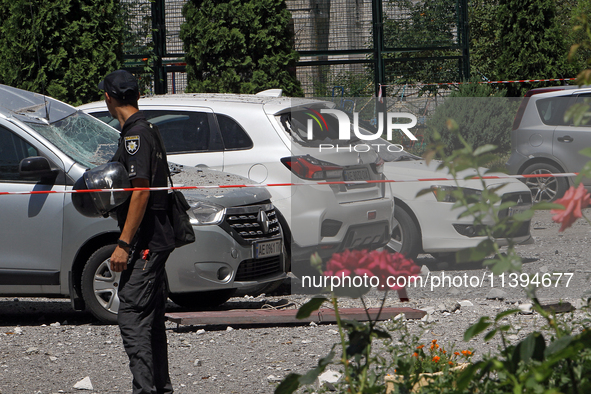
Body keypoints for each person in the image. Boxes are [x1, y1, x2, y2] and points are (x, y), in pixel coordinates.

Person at [99, 69, 176, 394]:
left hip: (146, 241)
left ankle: (145, 390)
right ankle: (161, 389)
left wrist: (123, 244)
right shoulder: (146, 129)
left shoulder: (135, 136)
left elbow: (141, 191)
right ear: (137, 96)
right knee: (151, 318)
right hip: (155, 238)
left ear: (109, 98)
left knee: (131, 314)